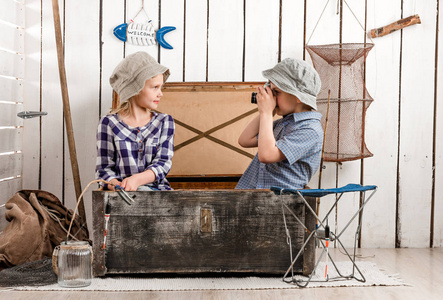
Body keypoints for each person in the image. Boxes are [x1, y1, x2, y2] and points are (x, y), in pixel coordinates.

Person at [235, 58, 323, 190]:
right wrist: (267, 112)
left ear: (298, 96)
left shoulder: (310, 130)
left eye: (276, 92)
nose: (272, 98)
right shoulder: (283, 123)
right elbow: (245, 140)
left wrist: (266, 112)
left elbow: (267, 155)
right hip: (253, 196)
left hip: (280, 203)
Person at [96, 51, 174, 191]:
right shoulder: (109, 123)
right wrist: (118, 186)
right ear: (136, 89)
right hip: (121, 197)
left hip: (158, 195)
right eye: (155, 87)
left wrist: (136, 181)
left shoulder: (164, 122)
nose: (160, 93)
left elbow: (163, 163)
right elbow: (104, 170)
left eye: (161, 87)